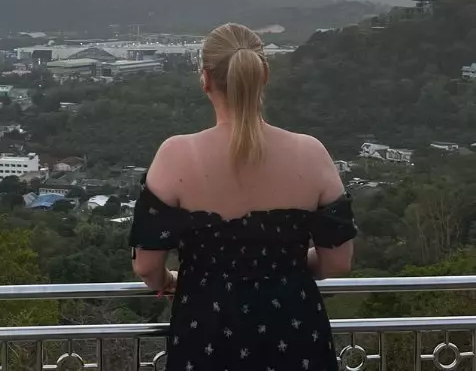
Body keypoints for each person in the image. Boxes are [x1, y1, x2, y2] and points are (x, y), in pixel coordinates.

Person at [129, 22, 356, 371]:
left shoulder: (176, 155)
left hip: (206, 332)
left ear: (205, 79)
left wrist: (168, 281)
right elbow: (337, 262)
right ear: (264, 75)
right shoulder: (311, 153)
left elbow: (146, 266)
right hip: (295, 333)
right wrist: (286, 265)